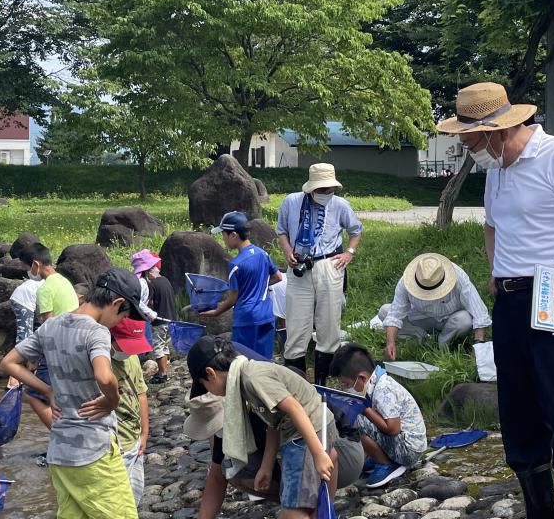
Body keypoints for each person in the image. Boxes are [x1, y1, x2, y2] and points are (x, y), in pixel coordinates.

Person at [437, 81, 554, 519]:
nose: (468, 149)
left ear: (498, 130)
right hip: (510, 302)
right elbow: (493, 225)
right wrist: (494, 273)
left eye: (471, 140)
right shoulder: (497, 170)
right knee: (517, 410)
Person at [0, 268, 145, 519]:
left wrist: (47, 389)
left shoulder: (54, 326)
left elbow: (9, 364)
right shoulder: (97, 332)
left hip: (60, 451)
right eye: (126, 314)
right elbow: (103, 374)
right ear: (116, 303)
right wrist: (112, 398)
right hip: (94, 449)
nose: (123, 322)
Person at [187, 335, 335, 519]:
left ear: (210, 373)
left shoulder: (253, 376)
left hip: (309, 434)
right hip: (297, 435)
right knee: (292, 504)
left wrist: (318, 453)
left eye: (206, 385)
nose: (212, 391)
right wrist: (267, 465)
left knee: (297, 508)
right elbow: (273, 424)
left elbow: (294, 407)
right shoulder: (245, 379)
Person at [182, 377, 363, 519]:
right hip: (304, 453)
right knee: (235, 472)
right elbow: (218, 474)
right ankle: (299, 517)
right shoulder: (229, 425)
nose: (217, 433)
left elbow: (329, 455)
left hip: (344, 449)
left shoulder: (266, 401)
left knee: (296, 488)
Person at [276, 163, 363, 385]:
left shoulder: (340, 205)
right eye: (322, 189)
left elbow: (356, 230)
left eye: (330, 189)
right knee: (296, 324)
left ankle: (323, 385)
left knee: (329, 324)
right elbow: (282, 231)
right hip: (299, 267)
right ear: (311, 188)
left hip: (329, 264)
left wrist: (349, 253)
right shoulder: (292, 202)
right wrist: (287, 252)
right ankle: (297, 384)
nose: (326, 193)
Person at [330, 343, 427, 489]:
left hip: (409, 449)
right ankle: (379, 456)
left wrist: (364, 409)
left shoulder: (383, 389)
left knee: (355, 420)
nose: (346, 388)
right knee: (355, 416)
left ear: (361, 378)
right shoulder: (375, 382)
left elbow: (393, 429)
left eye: (347, 384)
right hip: (403, 441)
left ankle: (386, 464)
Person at [202, 211, 283, 359]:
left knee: (244, 361)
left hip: (246, 319)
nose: (223, 239)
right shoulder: (262, 254)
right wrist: (260, 284)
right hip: (266, 315)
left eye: (224, 235)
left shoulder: (236, 264)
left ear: (233, 235)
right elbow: (278, 277)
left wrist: (216, 312)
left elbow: (233, 298)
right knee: (264, 360)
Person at [379, 253, 491, 359]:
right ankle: (421, 338)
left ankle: (443, 344)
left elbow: (478, 311)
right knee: (384, 311)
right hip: (421, 318)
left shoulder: (458, 275)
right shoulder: (405, 282)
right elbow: (394, 315)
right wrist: (390, 343)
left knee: (465, 320)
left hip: (451, 320)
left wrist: (479, 344)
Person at [17, 243, 79, 434]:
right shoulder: (64, 282)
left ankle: (60, 436)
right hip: (75, 345)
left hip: (57, 351)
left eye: (27, 267)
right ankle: (71, 431)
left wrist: (34, 360)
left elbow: (48, 328)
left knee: (34, 395)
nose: (28, 272)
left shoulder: (45, 289)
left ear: (36, 264)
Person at [108, 317, 153, 519]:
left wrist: (145, 432)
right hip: (115, 444)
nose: (129, 351)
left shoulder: (132, 359)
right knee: (115, 503)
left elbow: (142, 394)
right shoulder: (102, 362)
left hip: (134, 441)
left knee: (133, 499)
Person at [130, 250, 173, 384]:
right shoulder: (155, 281)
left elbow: (140, 303)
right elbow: (139, 302)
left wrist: (151, 314)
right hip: (164, 318)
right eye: (154, 267)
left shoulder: (147, 283)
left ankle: (162, 374)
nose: (156, 269)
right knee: (163, 346)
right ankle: (163, 371)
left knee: (159, 347)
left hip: (158, 319)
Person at [9, 275, 42, 344]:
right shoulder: (51, 284)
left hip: (21, 298)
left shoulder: (46, 279)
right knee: (25, 336)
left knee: (29, 332)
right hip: (24, 301)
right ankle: (21, 353)